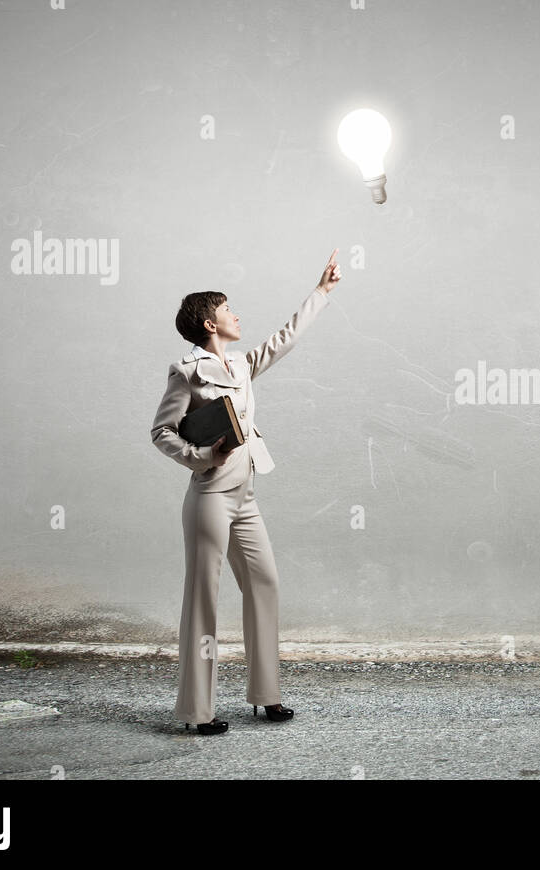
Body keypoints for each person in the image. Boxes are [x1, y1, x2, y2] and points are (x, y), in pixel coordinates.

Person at [150, 249, 341, 735]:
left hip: (247, 494)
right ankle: (197, 712)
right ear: (210, 324)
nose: (237, 315)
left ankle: (266, 695)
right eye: (228, 310)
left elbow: (285, 339)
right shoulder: (186, 372)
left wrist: (320, 291)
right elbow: (161, 432)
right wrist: (202, 457)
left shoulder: (240, 365)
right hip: (211, 496)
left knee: (264, 583)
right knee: (203, 598)